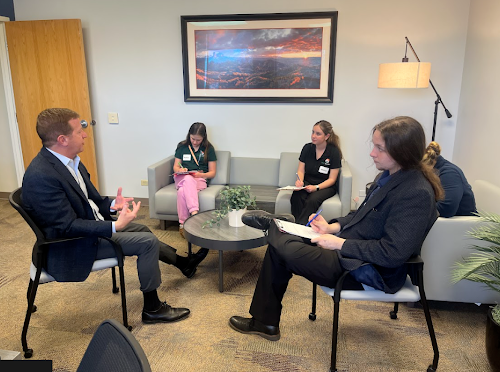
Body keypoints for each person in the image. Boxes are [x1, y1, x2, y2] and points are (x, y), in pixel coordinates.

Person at [229, 116, 443, 341]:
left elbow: (392, 253)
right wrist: (332, 227)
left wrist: (339, 243)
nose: (372, 153)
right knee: (278, 247)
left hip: (365, 269)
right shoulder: (389, 177)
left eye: (379, 148)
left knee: (282, 246)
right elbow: (359, 215)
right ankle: (265, 322)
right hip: (348, 251)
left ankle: (276, 225)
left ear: (402, 152)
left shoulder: (416, 192)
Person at [22, 108, 207, 324]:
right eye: (79, 130)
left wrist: (112, 205)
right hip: (72, 245)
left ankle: (183, 264)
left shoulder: (71, 162)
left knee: (143, 230)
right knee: (146, 242)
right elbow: (67, 227)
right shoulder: (42, 176)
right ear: (62, 139)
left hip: (90, 228)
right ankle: (153, 309)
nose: (85, 134)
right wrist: (114, 227)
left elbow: (92, 200)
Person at [291, 120, 342, 225]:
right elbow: (300, 170)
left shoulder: (333, 152)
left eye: (318, 134)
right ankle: (297, 224)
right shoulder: (307, 148)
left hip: (326, 186)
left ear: (327, 136)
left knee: (312, 200)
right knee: (296, 195)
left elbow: (332, 179)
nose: (313, 136)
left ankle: (301, 227)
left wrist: (316, 187)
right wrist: (299, 181)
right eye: (313, 132)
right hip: (308, 182)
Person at [173, 122, 217, 240]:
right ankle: (194, 214)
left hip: (199, 179)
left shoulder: (209, 149)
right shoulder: (182, 146)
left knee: (182, 192)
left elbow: (212, 172)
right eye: (193, 139)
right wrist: (181, 169)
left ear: (204, 137)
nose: (195, 142)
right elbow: (175, 167)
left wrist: (200, 174)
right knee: (187, 178)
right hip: (182, 177)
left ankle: (183, 224)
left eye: (198, 140)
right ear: (189, 135)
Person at [423, 141, 476, 218]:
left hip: (461, 225)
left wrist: (416, 210)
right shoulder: (435, 171)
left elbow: (446, 208)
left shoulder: (450, 174)